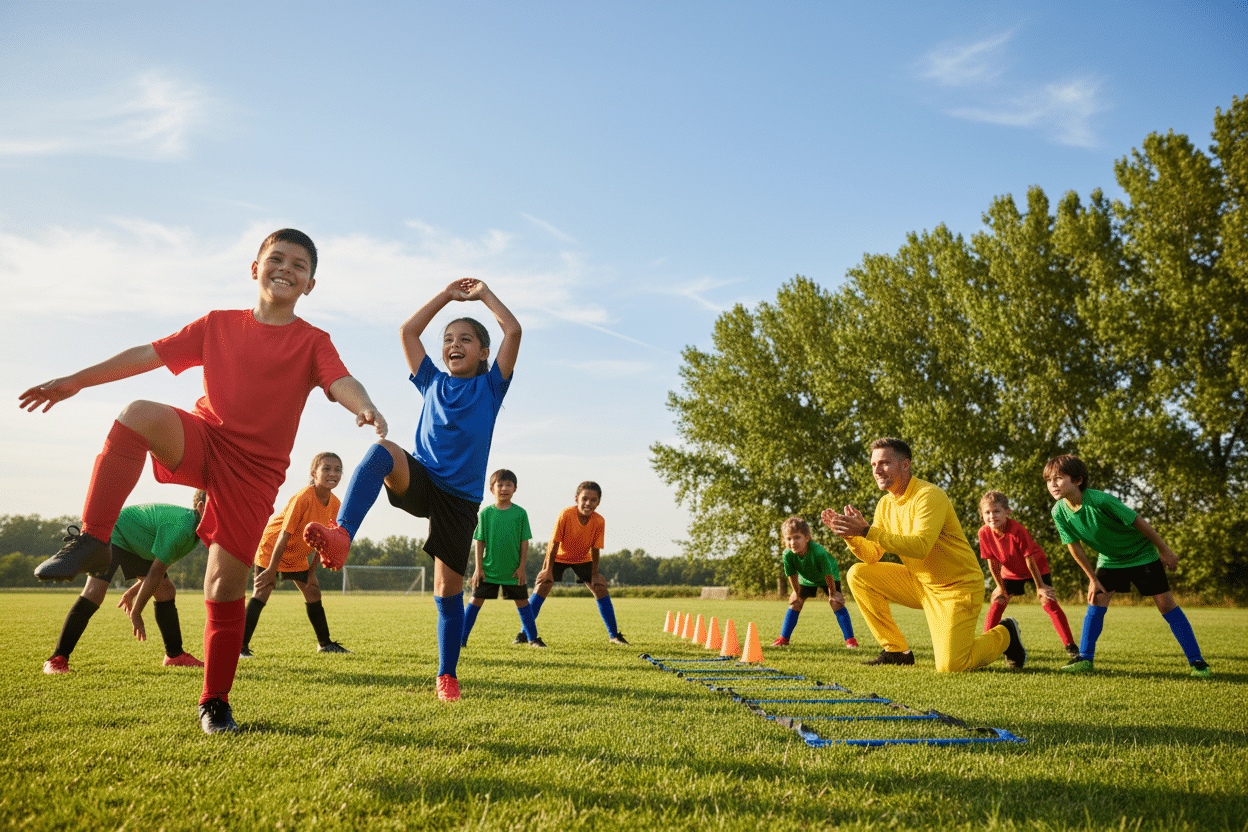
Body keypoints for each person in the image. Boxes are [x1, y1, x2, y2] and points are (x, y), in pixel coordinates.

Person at [20, 229, 388, 733]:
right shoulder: (217, 325)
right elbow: (145, 354)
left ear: (310, 283)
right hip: (205, 438)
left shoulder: (312, 341)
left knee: (222, 583)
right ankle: (92, 540)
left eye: (298, 265)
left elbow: (339, 379)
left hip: (255, 473)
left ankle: (214, 700)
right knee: (138, 414)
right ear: (254, 268)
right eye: (275, 258)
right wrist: (77, 381)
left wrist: (362, 404)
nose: (285, 268)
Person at [304, 278, 520, 702]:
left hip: (458, 500)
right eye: (448, 339)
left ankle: (446, 676)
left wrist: (483, 295)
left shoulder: (491, 387)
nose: (453, 345)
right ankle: (342, 534)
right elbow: (407, 332)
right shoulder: (432, 381)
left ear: (483, 352)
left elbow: (513, 330)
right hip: (421, 478)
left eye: (465, 339)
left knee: (447, 590)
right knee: (381, 449)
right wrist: (445, 295)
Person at [821, 437, 1025, 671]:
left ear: (905, 465)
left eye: (884, 463)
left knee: (952, 665)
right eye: (873, 464)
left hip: (956, 588)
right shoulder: (885, 505)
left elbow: (920, 547)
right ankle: (896, 651)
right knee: (858, 574)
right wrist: (851, 535)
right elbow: (872, 556)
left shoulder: (929, 495)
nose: (877, 470)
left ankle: (1006, 633)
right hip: (920, 585)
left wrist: (867, 531)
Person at [1044, 454, 1211, 678]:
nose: (1052, 484)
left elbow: (1138, 522)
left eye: (1058, 478)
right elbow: (1074, 546)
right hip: (1110, 559)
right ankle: (1084, 658)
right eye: (1048, 480)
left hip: (1141, 554)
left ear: (1078, 480)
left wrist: (1165, 550)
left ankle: (1197, 661)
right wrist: (1092, 578)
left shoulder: (1101, 500)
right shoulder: (1058, 512)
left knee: (1165, 605)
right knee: (1097, 599)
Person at [42, 491, 208, 674]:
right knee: (94, 593)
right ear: (201, 508)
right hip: (115, 532)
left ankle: (175, 656)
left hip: (138, 544)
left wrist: (132, 592)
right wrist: (136, 612)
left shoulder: (195, 532)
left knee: (166, 591)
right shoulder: (181, 527)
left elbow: (158, 569)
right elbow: (154, 574)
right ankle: (57, 659)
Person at [242, 452, 350, 657]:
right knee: (263, 592)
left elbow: (326, 540)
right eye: (326, 468)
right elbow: (284, 535)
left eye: (337, 470)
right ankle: (240, 648)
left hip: (297, 555)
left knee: (313, 591)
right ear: (313, 472)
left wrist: (311, 572)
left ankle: (325, 644)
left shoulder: (335, 504)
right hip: (273, 547)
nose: (332, 474)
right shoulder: (303, 498)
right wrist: (272, 571)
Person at [525, 481, 629, 646]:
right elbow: (554, 544)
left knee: (600, 587)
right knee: (543, 585)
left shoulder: (599, 521)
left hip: (582, 558)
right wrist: (548, 570)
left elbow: (595, 549)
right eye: (584, 498)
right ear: (576, 499)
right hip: (558, 557)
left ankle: (614, 635)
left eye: (593, 500)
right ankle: (524, 635)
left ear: (598, 502)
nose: (588, 503)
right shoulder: (566, 514)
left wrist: (595, 574)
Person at [977, 490, 1078, 658]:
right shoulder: (984, 533)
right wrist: (999, 587)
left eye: (996, 511)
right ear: (982, 515)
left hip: (1036, 568)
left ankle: (1070, 646)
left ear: (1007, 512)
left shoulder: (1017, 530)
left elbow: (1029, 560)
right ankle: (984, 645)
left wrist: (1040, 587)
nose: (992, 516)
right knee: (998, 601)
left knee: (1048, 601)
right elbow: (992, 562)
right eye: (987, 512)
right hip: (1010, 572)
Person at [462, 469, 544, 648]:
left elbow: (524, 542)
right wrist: (479, 568)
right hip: (489, 570)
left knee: (523, 603)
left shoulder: (520, 513)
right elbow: (479, 542)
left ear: (515, 488)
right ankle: (461, 639)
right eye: (500, 485)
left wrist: (522, 567)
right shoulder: (485, 514)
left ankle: (532, 639)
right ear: (492, 489)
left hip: (513, 571)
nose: (504, 488)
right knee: (475, 601)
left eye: (509, 485)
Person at [770, 516, 858, 648]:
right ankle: (783, 639)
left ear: (807, 538)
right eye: (789, 538)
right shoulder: (787, 554)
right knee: (795, 603)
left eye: (797, 537)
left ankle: (851, 641)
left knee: (836, 603)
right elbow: (791, 574)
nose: (793, 542)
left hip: (827, 575)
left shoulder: (818, 552)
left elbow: (828, 573)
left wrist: (833, 593)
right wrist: (796, 592)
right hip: (807, 578)